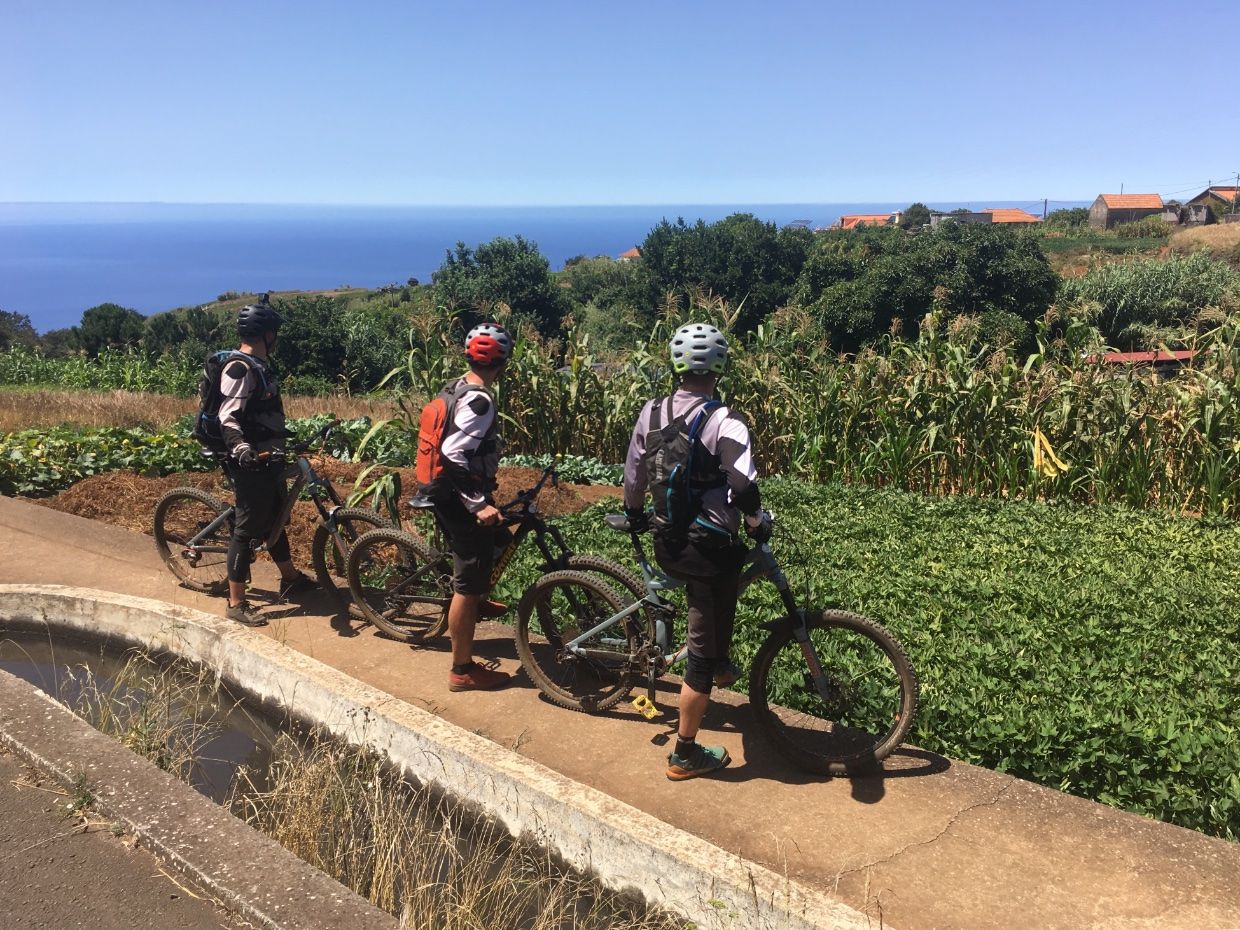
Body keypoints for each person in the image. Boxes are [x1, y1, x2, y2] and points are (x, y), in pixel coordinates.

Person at [623, 322, 770, 780]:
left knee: (720, 592)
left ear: (676, 364)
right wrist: (756, 522)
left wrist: (634, 516)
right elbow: (743, 485)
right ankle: (684, 754)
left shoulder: (650, 412)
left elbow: (633, 476)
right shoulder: (726, 422)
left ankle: (719, 660)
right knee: (701, 655)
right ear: (719, 368)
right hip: (705, 551)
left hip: (667, 541)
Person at [424, 322, 515, 692]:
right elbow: (453, 453)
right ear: (504, 363)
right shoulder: (480, 399)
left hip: (447, 490)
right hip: (458, 495)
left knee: (501, 539)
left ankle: (476, 597)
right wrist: (477, 504)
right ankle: (461, 670)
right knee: (468, 579)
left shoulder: (457, 386)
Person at [219, 296, 315, 626]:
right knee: (247, 527)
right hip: (249, 460)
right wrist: (242, 449)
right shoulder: (238, 367)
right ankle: (235, 603)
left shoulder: (258, 366)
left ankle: (289, 577)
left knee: (275, 516)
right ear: (267, 335)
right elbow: (227, 417)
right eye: (275, 332)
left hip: (268, 456)